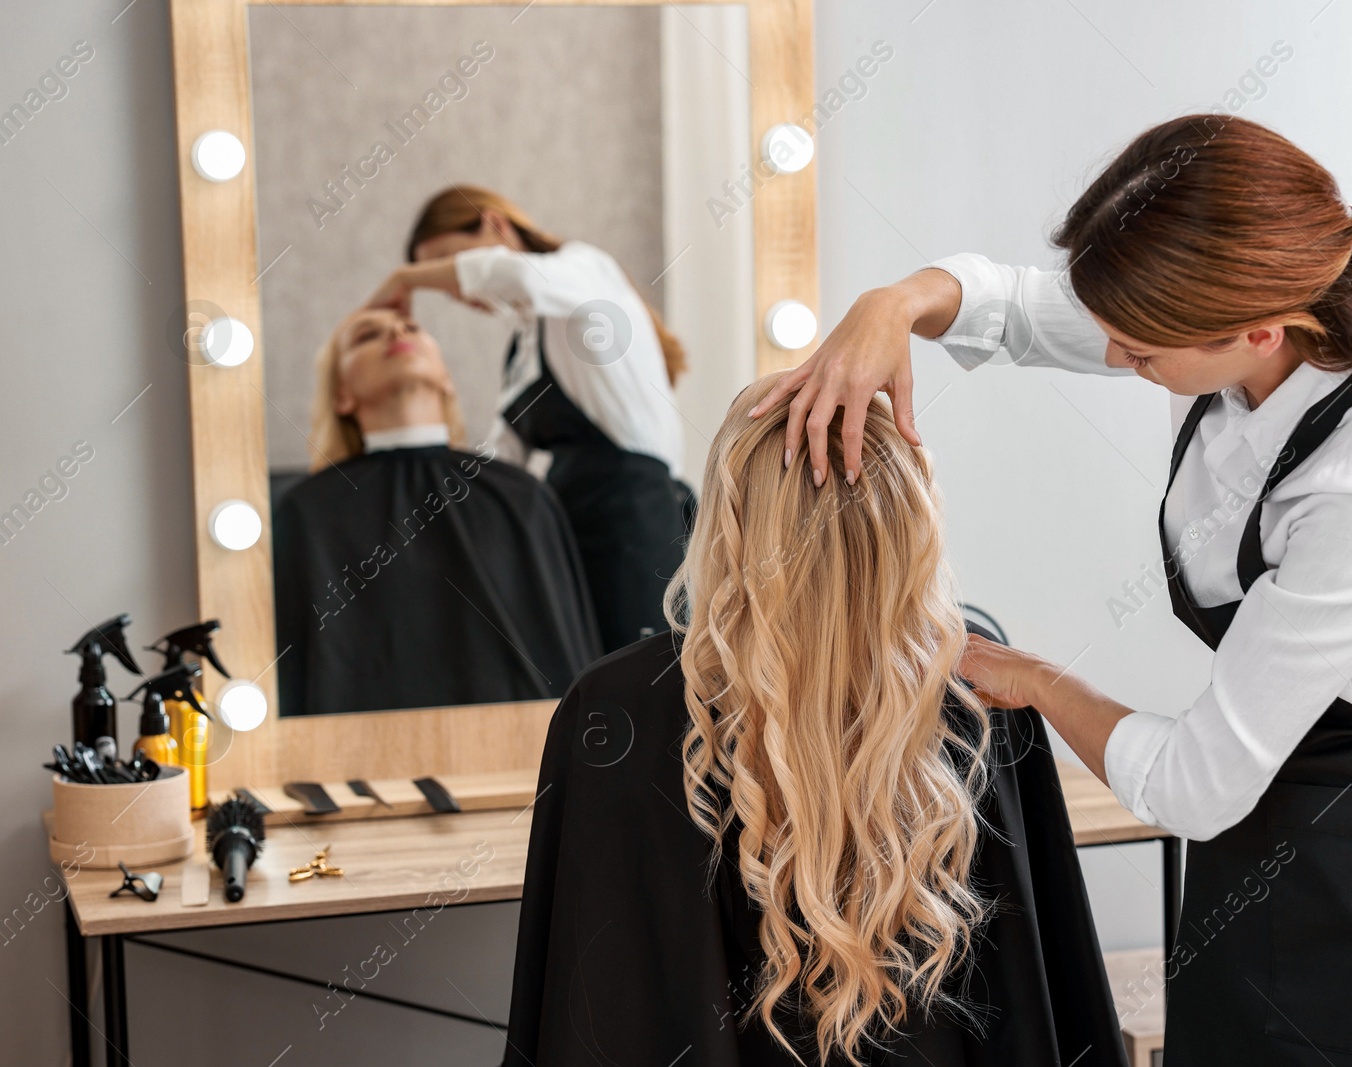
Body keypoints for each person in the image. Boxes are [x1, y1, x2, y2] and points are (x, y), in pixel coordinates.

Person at [753, 114, 1352, 1065]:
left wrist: (1040, 680)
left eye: (1140, 350)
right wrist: (893, 303)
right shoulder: (1240, 341)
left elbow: (1194, 783)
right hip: (1258, 855)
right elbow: (1019, 309)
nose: (1114, 357)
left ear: (1257, 327)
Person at [501, 376, 1126, 1067]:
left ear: (727, 517)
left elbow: (607, 1003)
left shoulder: (619, 703)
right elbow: (1040, 998)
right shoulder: (980, 684)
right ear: (910, 519)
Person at [364, 184, 695, 654]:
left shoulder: (584, 269)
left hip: (636, 527)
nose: (454, 291)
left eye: (446, 262)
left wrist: (406, 279)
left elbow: (515, 276)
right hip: (570, 531)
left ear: (496, 225)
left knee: (643, 682)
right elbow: (499, 462)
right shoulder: (526, 344)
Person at [273, 306, 601, 715]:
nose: (396, 332)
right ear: (341, 395)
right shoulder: (307, 513)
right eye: (366, 336)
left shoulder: (521, 496)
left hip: (521, 753)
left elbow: (565, 652)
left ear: (447, 380)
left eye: (411, 325)